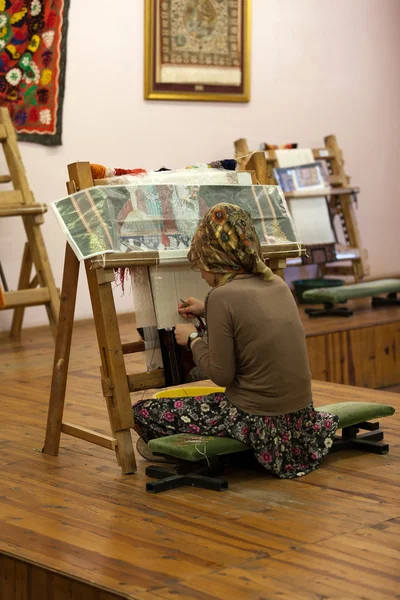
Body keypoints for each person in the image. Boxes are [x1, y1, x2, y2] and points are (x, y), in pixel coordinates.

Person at [133, 203, 339, 479]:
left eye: (202, 266)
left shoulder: (223, 297)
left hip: (257, 419)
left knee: (141, 412)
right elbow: (253, 318)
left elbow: (221, 374)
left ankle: (215, 451)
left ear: (216, 256)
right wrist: (207, 311)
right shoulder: (276, 283)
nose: (203, 275)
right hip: (300, 416)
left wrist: (192, 339)